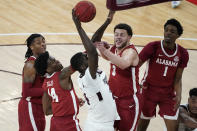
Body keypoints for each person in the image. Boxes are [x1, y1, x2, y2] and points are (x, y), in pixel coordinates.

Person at [70, 9, 119, 131]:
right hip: (100, 126)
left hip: (99, 121)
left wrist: (107, 21)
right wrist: (79, 27)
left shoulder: (87, 71)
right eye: (85, 58)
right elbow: (92, 50)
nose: (88, 56)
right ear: (82, 66)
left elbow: (94, 41)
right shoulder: (87, 76)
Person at [92, 11, 142, 131]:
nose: (118, 37)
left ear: (129, 37)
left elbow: (123, 64)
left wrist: (104, 49)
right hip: (112, 99)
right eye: (116, 34)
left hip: (129, 102)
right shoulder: (114, 49)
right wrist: (108, 21)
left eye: (122, 35)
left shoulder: (131, 52)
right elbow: (95, 41)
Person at [137, 18, 189, 131]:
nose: (168, 33)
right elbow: (135, 66)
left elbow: (178, 78)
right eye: (166, 30)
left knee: (173, 128)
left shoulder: (183, 53)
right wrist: (136, 84)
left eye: (172, 31)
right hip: (148, 91)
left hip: (168, 93)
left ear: (178, 35)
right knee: (141, 127)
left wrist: (179, 94)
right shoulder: (152, 47)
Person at [34, 51, 83, 131]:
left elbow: (47, 110)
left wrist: (67, 104)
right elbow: (77, 61)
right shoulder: (61, 75)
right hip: (68, 123)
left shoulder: (45, 84)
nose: (57, 61)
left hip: (55, 124)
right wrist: (93, 45)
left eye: (55, 59)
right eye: (53, 62)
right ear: (47, 69)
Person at [18, 34, 46, 131]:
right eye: (39, 43)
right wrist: (47, 90)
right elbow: (27, 92)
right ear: (31, 47)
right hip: (29, 106)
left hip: (40, 107)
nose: (43, 44)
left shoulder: (43, 61)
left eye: (43, 41)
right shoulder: (31, 64)